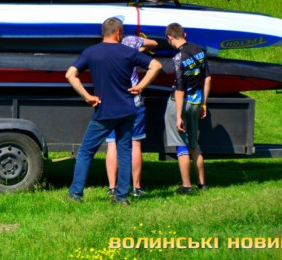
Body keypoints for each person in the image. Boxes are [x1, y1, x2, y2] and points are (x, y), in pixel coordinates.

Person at [66, 17, 161, 204]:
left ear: (104, 32)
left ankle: (75, 194)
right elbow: (156, 65)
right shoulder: (128, 52)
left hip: (104, 111)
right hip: (127, 110)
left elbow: (70, 74)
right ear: (118, 32)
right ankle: (121, 197)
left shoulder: (91, 52)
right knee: (124, 152)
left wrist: (87, 96)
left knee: (86, 152)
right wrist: (140, 86)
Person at [105, 35, 158, 198]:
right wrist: (140, 50)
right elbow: (154, 43)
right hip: (133, 100)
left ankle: (112, 187)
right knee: (135, 144)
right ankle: (136, 187)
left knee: (112, 144)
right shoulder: (130, 42)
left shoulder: (103, 49)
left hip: (111, 102)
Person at [164, 22, 212, 194]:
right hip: (195, 102)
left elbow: (179, 89)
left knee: (181, 144)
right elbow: (207, 78)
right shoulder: (200, 51)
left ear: (169, 37)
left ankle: (186, 186)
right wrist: (203, 103)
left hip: (181, 103)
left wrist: (178, 116)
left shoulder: (178, 58)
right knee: (194, 143)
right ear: (184, 34)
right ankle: (202, 184)